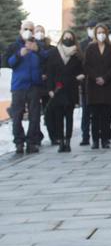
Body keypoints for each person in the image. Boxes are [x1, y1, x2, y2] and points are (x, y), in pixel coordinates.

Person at [5, 20, 47, 155]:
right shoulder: (14, 46)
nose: (28, 31)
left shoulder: (38, 45)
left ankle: (32, 142)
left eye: (30, 29)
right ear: (20, 30)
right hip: (19, 86)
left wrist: (38, 50)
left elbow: (47, 58)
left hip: (34, 85)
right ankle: (19, 142)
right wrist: (18, 55)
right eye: (25, 29)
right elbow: (8, 63)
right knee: (17, 115)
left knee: (35, 116)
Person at [46, 29, 85, 152]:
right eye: (65, 37)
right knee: (58, 117)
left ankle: (68, 141)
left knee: (69, 117)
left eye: (70, 38)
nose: (67, 39)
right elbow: (49, 72)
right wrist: (50, 89)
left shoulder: (77, 54)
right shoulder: (54, 53)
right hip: (58, 89)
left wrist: (80, 77)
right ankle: (60, 141)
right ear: (62, 38)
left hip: (71, 88)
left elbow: (82, 70)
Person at [83, 22, 111, 150]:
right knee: (95, 115)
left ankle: (105, 139)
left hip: (107, 85)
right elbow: (86, 65)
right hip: (93, 86)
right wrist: (96, 77)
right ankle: (95, 140)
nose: (101, 35)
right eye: (99, 33)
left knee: (106, 115)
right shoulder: (90, 48)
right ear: (95, 34)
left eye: (103, 33)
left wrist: (105, 78)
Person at [78, 24, 95, 146]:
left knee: (98, 111)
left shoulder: (103, 44)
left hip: (99, 82)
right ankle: (85, 136)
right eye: (91, 28)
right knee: (86, 112)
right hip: (86, 83)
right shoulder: (82, 44)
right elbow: (79, 62)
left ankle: (98, 135)